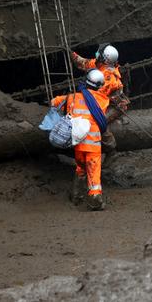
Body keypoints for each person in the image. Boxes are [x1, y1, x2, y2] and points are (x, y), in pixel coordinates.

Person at [51, 69, 110, 210]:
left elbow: (54, 102)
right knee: (94, 171)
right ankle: (95, 199)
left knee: (80, 168)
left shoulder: (73, 97)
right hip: (93, 144)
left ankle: (76, 195)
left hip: (78, 143)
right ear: (99, 85)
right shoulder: (102, 100)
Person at [71, 43, 129, 161]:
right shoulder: (100, 65)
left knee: (98, 121)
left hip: (115, 106)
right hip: (105, 101)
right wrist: (71, 53)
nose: (97, 53)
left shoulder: (109, 78)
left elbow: (97, 97)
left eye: (100, 53)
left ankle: (111, 151)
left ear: (105, 58)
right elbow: (84, 63)